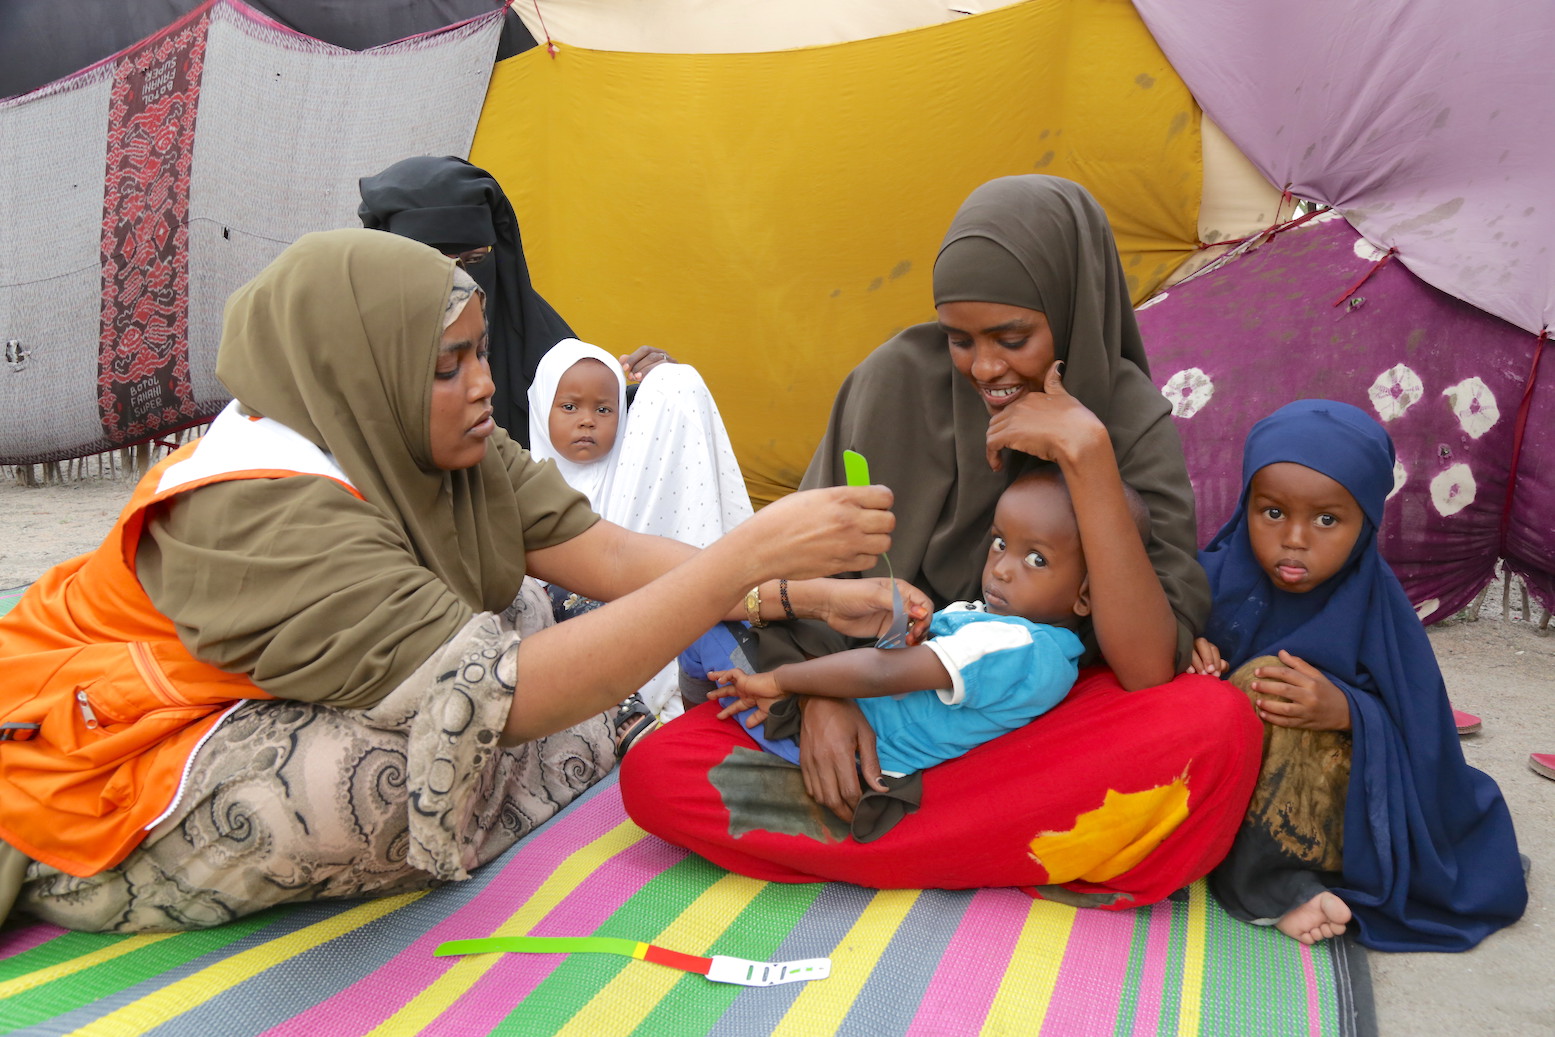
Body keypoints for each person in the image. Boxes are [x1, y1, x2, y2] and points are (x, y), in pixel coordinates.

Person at [0, 229, 925, 933]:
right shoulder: (255, 508)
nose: (485, 384)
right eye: (449, 365)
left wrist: (794, 595)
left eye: (481, 352)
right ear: (360, 371)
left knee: (528, 606)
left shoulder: (427, 436)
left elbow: (603, 555)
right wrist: (746, 556)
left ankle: (515, 778)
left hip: (315, 682)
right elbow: (504, 693)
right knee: (367, 788)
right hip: (124, 744)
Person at [621, 175, 1263, 904]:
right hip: (877, 714)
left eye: (1012, 338)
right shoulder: (892, 382)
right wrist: (820, 701)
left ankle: (893, 835)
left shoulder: (1121, 414)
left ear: (1071, 313)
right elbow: (799, 566)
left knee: (1215, 728)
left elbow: (1147, 665)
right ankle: (999, 843)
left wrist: (1086, 457)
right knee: (658, 773)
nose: (985, 368)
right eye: (961, 340)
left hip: (1027, 732)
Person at [1190, 399, 1526, 951]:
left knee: (1267, 680)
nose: (1295, 538)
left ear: (1366, 524)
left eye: (1327, 520)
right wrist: (1187, 649)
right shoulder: (1208, 578)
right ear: (1244, 504)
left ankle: (1281, 888)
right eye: (1272, 512)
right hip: (1216, 785)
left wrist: (1347, 711)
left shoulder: (1378, 614)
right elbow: (1146, 651)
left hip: (1313, 813)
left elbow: (1424, 738)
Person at [708, 470, 1146, 841]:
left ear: (1087, 595)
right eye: (999, 543)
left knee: (707, 616)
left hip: (841, 757)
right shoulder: (994, 624)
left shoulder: (1020, 646)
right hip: (840, 731)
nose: (1002, 568)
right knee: (727, 610)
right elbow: (895, 662)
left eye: (1036, 558)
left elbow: (881, 675)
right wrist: (898, 625)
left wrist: (782, 681)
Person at [527, 339, 754, 722]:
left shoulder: (634, 474)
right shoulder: (526, 490)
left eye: (604, 409)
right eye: (568, 407)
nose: (587, 420)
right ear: (539, 408)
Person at [358, 155, 574, 446]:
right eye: (435, 264)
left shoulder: (549, 351)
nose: (463, 284)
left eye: (474, 261)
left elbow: (603, 417)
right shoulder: (349, 355)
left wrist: (653, 391)